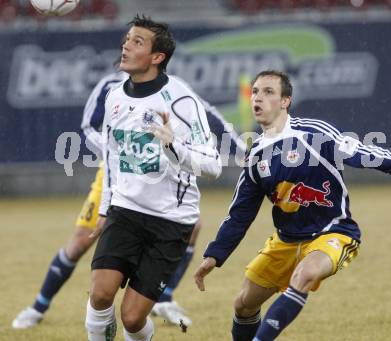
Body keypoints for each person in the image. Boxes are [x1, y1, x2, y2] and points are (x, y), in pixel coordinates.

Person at [194, 70, 391, 341]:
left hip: (332, 233)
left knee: (305, 275)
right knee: (244, 304)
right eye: (256, 92)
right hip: (285, 241)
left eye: (269, 92)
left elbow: (360, 151)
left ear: (286, 101)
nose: (258, 98)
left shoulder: (314, 134)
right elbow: (240, 214)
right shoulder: (256, 155)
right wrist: (214, 255)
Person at [12, 56, 245, 330]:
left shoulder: (172, 90)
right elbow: (88, 127)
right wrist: (117, 152)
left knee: (193, 226)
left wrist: (242, 148)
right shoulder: (110, 88)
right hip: (116, 178)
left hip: (160, 179)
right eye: (129, 42)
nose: (128, 50)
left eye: (137, 43)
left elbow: (208, 112)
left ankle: (163, 298)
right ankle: (38, 306)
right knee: (80, 242)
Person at [84, 14, 224, 341]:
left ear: (157, 57)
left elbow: (213, 165)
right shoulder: (115, 96)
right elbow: (112, 158)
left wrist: (173, 145)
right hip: (125, 211)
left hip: (171, 221)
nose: (125, 45)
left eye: (137, 41)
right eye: (126, 39)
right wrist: (106, 209)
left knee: (132, 319)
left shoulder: (182, 101)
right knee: (101, 294)